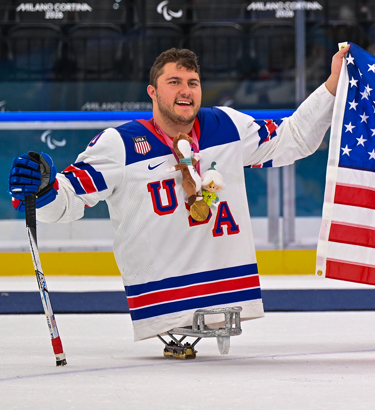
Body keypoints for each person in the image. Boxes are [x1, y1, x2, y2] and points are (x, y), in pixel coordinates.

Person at [7, 45, 348, 343]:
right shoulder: (120, 144)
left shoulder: (227, 126)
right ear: (152, 92)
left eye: (192, 83)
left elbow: (294, 138)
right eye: (174, 82)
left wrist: (334, 81)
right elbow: (69, 200)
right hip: (162, 303)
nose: (185, 91)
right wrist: (43, 190)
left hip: (229, 294)